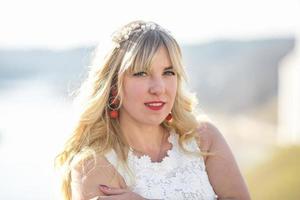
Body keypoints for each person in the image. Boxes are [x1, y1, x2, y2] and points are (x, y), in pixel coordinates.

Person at [55, 20, 251, 200]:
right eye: (141, 73)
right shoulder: (93, 167)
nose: (159, 88)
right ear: (113, 86)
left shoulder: (204, 138)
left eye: (168, 72)